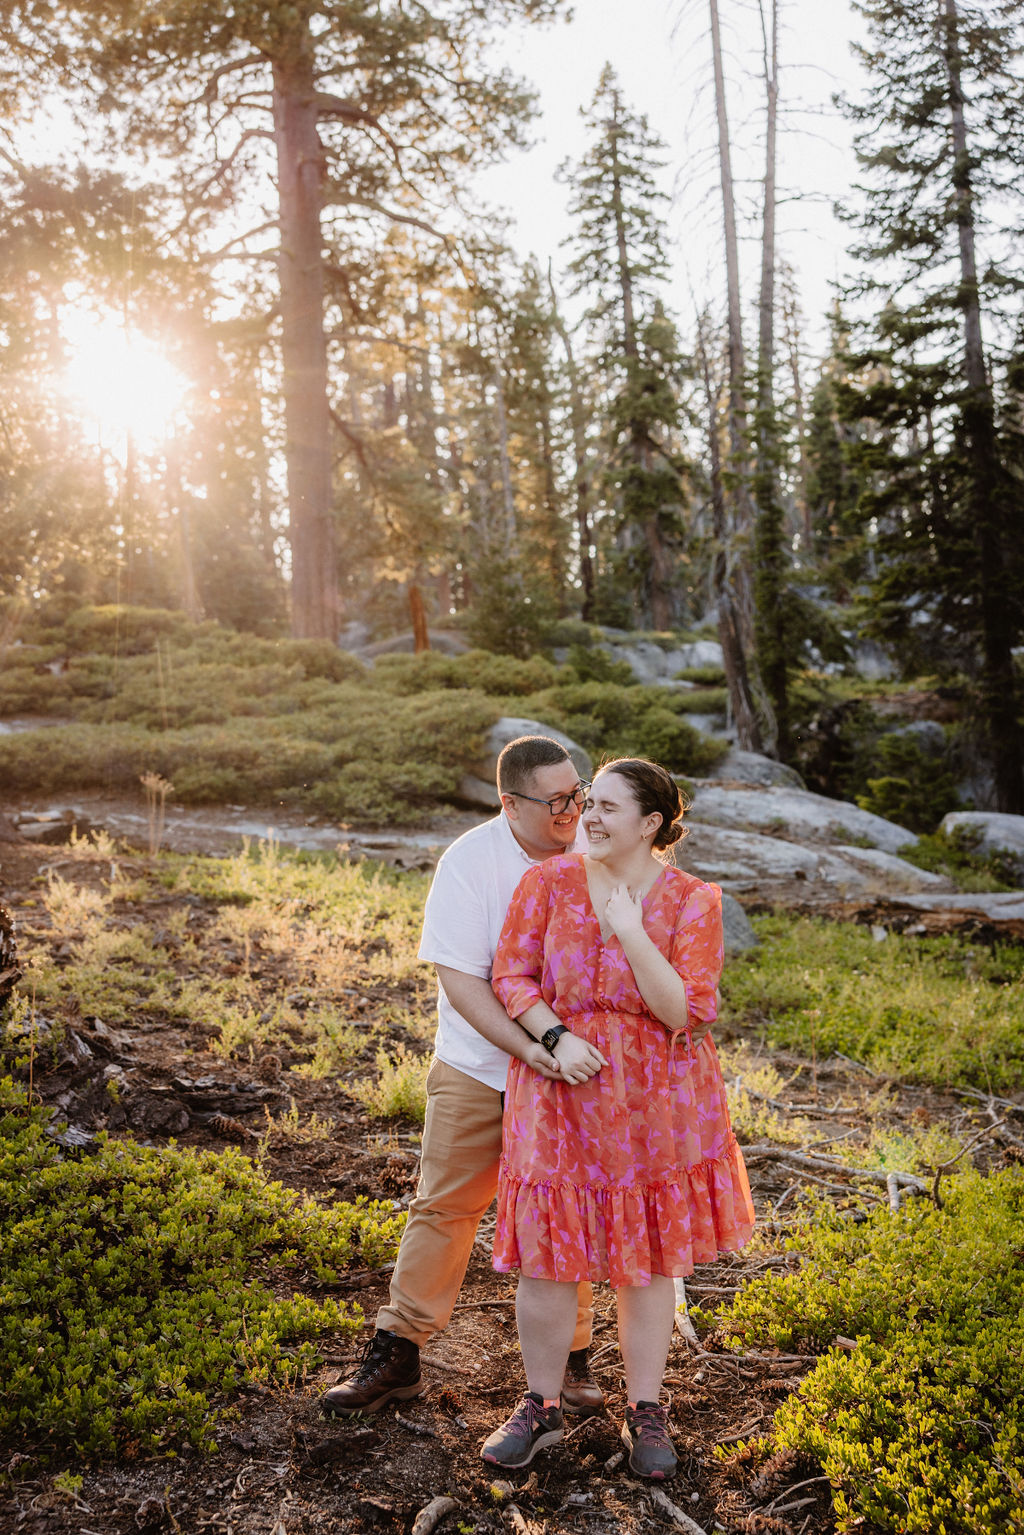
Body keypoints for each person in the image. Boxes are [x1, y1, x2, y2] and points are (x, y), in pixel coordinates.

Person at [480, 757, 755, 1480]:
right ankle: (540, 1407)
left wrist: (631, 929)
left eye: (605, 807)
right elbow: (510, 975)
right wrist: (554, 1036)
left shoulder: (693, 901)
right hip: (560, 1090)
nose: (588, 818)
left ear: (651, 823)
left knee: (647, 1260)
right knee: (544, 1255)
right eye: (587, 803)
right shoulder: (547, 883)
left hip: (654, 1105)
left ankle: (645, 1409)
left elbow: (684, 1010)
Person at [322, 735, 605, 1418]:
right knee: (445, 1206)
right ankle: (399, 1350)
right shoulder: (470, 861)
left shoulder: (598, 852)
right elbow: (461, 980)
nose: (574, 809)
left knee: (567, 1210)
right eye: (558, 799)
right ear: (509, 802)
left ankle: (572, 1357)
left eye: (580, 793)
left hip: (572, 1076)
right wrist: (530, 1047)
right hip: (479, 1066)